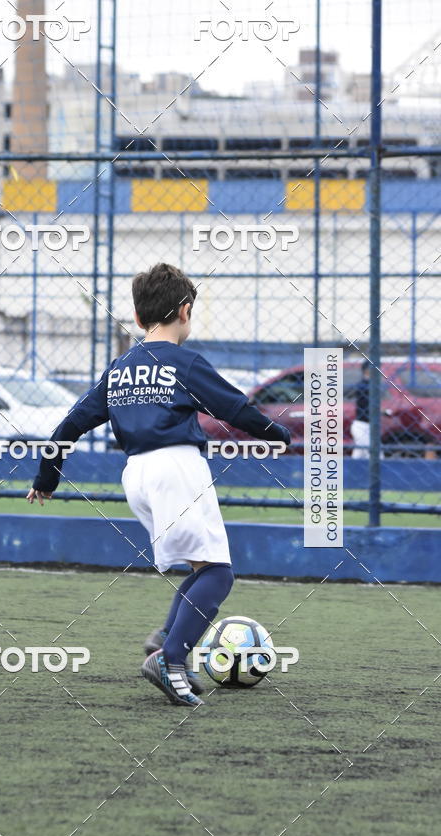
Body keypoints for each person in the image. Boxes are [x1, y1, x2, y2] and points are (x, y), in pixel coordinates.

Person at [27, 263, 291, 707]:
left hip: (137, 476)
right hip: (177, 467)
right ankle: (170, 659)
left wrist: (46, 477)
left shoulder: (121, 367)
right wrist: (278, 436)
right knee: (219, 574)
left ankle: (167, 639)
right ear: (184, 310)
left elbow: (70, 424)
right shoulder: (184, 362)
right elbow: (235, 407)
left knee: (201, 567)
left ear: (138, 318)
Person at [351, 360, 370, 459]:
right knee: (374, 454)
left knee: (358, 455)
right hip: (362, 426)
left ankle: (350, 473)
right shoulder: (364, 385)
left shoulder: (369, 384)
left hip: (366, 426)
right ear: (367, 371)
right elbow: (368, 406)